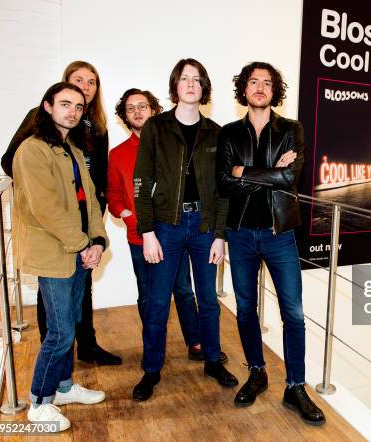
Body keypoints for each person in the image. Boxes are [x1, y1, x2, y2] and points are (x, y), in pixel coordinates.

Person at [216, 61, 325, 426]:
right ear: (243, 89)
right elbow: (222, 183)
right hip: (241, 234)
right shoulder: (229, 133)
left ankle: (295, 386)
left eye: (267, 82)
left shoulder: (292, 129)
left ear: (274, 90)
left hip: (281, 234)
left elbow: (291, 178)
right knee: (246, 309)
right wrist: (270, 173)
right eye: (253, 82)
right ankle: (257, 372)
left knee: (293, 313)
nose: (260, 87)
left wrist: (243, 172)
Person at [1, 61, 121, 366]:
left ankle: (85, 349)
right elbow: (13, 162)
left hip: (85, 222)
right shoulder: (39, 128)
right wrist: (38, 189)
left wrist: (95, 235)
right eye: (78, 81)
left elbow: (97, 178)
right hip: (56, 228)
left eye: (91, 82)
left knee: (82, 292)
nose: (85, 86)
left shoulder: (95, 127)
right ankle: (53, 358)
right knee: (54, 302)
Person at [132, 59, 236, 401]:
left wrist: (220, 235)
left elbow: (224, 190)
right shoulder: (156, 128)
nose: (191, 83)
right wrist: (147, 232)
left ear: (204, 88)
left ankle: (212, 359)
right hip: (166, 227)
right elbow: (141, 181)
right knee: (158, 302)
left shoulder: (216, 132)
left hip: (205, 228)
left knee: (208, 300)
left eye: (197, 79)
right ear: (175, 86)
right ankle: (151, 370)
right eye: (185, 78)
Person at [108, 89, 229, 363]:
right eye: (130, 108)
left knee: (189, 291)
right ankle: (152, 364)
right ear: (124, 116)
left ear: (154, 109)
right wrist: (133, 220)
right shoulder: (118, 154)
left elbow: (212, 185)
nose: (137, 112)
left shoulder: (177, 140)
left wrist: (218, 232)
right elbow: (118, 192)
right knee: (152, 298)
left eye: (143, 106)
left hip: (185, 227)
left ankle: (199, 344)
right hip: (148, 233)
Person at [13, 82, 108, 431]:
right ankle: (39, 402)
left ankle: (64, 387)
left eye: (79, 107)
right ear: (48, 106)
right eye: (65, 104)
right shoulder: (32, 150)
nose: (73, 111)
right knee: (60, 331)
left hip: (79, 252)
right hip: (56, 254)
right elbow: (47, 209)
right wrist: (83, 244)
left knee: (71, 325)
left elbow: (91, 199)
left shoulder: (70, 149)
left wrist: (98, 240)